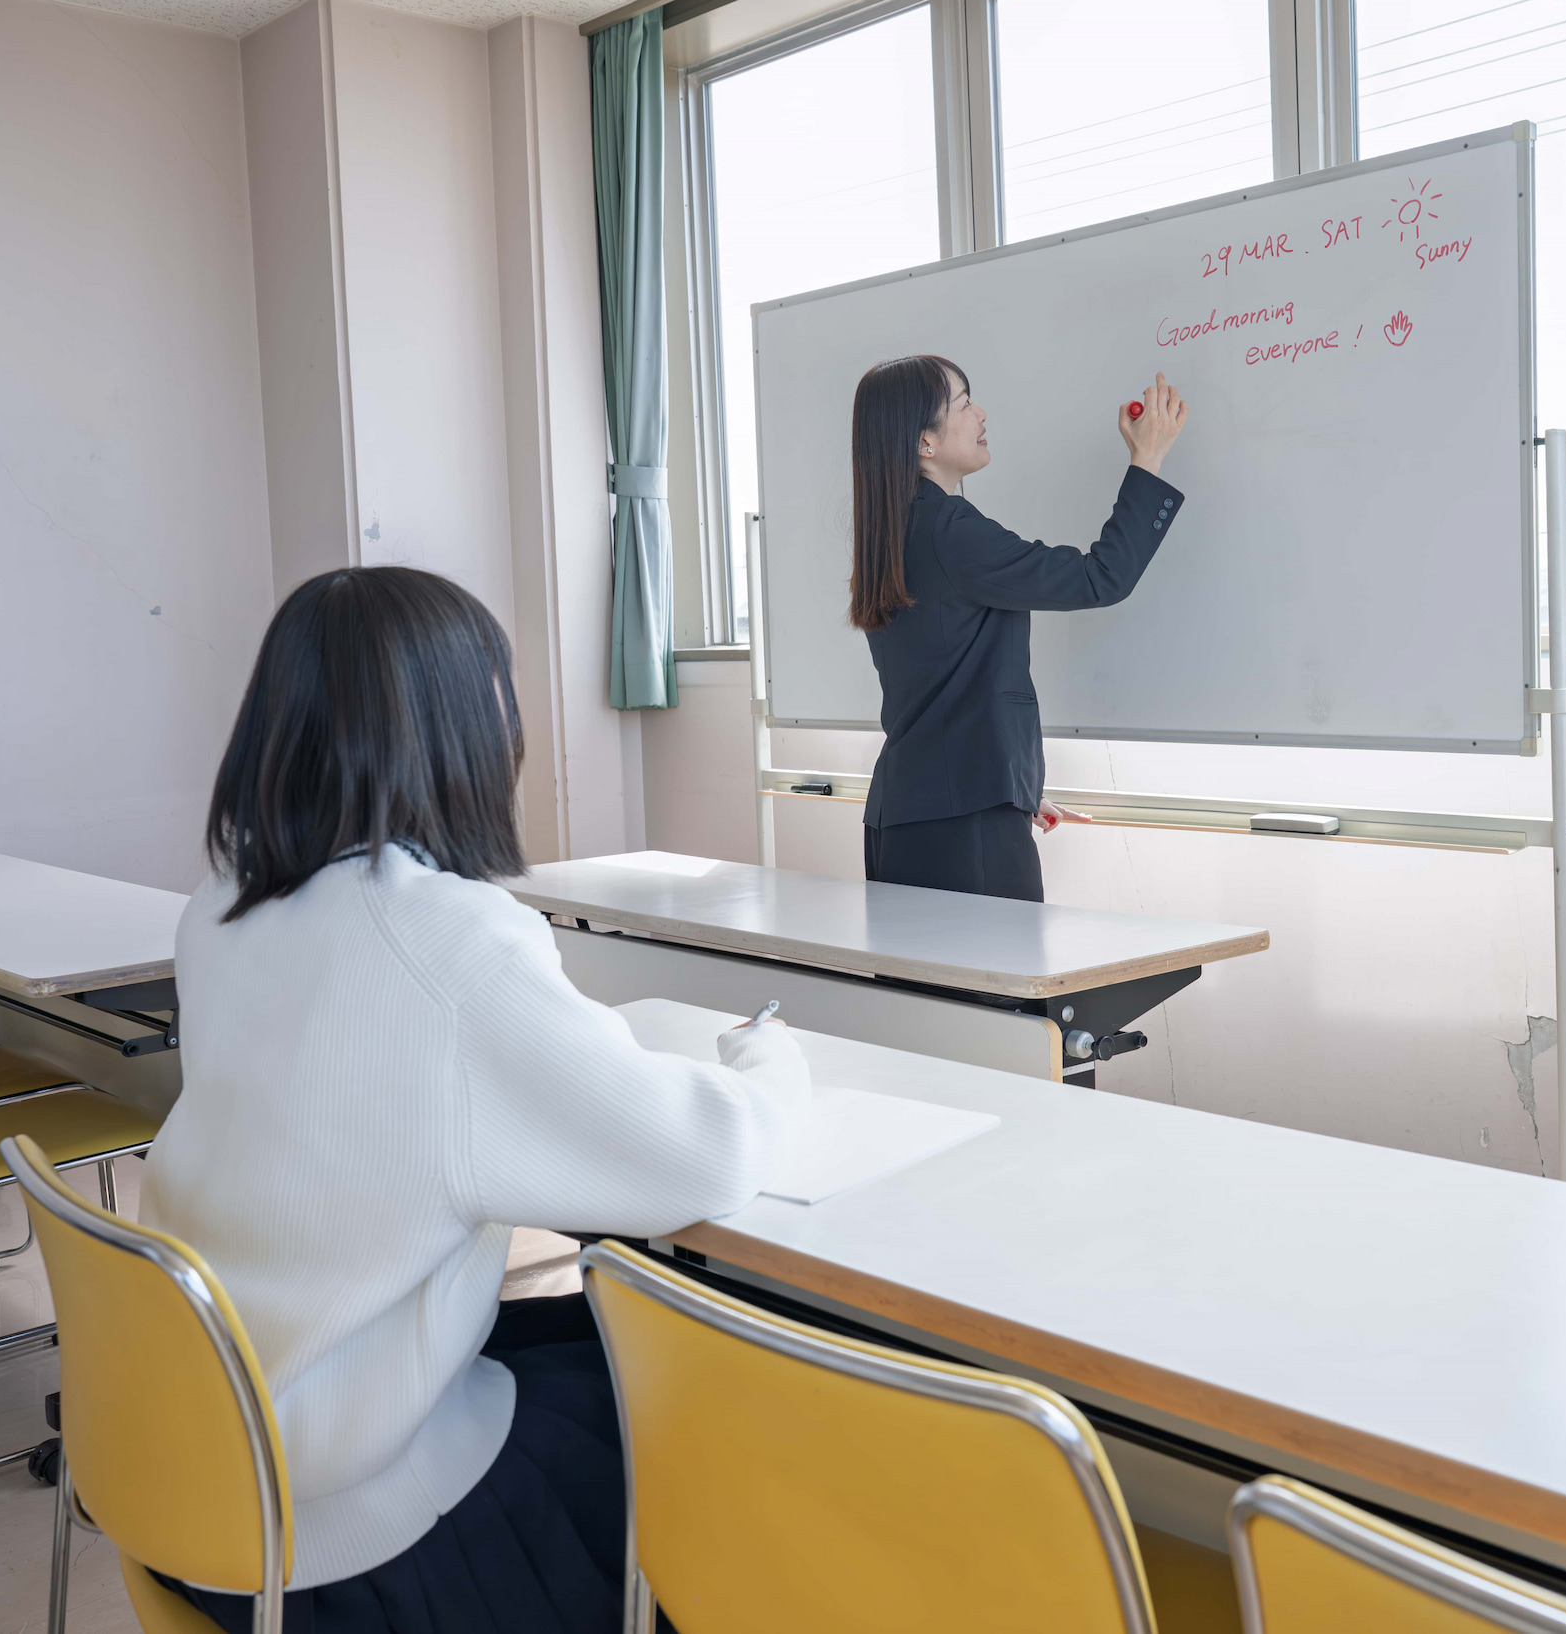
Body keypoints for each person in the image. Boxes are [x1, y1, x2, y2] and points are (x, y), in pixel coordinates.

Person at [143, 565, 810, 1634]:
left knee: (581, 1324)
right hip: (364, 1556)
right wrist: (770, 1059)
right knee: (716, 1379)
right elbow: (706, 1156)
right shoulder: (445, 939)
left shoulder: (221, 904)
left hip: (212, 1480)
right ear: (454, 721)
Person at [848, 356, 1192, 902]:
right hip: (963, 828)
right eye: (962, 403)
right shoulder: (951, 532)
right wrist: (1146, 458)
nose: (979, 413)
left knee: (921, 990)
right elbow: (1099, 577)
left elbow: (943, 680)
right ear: (924, 443)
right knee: (998, 988)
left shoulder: (894, 530)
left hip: (906, 818)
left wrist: (1009, 789)